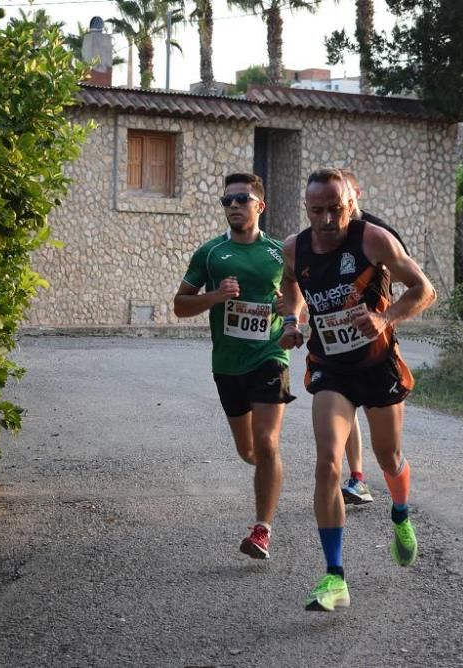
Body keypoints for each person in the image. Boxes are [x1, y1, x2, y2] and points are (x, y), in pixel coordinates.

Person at [279, 168, 437, 611]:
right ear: (306, 209)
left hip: (376, 365)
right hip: (332, 367)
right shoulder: (294, 248)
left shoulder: (374, 241)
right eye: (317, 211)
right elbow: (290, 285)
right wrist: (292, 322)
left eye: (336, 209)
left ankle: (401, 512)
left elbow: (424, 289)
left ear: (352, 202)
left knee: (388, 457)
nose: (328, 219)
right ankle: (334, 577)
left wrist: (386, 319)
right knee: (328, 463)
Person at [174, 172, 293, 561]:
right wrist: (215, 296)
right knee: (248, 451)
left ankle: (262, 530)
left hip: (270, 356)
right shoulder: (209, 253)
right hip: (227, 364)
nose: (234, 206)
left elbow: (298, 298)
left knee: (266, 441)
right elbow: (179, 306)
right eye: (227, 201)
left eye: (242, 199)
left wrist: (287, 311)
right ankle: (269, 472)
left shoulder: (279, 253)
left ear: (260, 205)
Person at [337, 169, 410, 507]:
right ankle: (355, 477)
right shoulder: (322, 237)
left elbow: (409, 280)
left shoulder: (379, 234)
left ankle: (399, 505)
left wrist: (382, 316)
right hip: (335, 349)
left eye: (343, 198)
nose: (336, 207)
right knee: (341, 408)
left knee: (389, 453)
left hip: (376, 344)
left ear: (356, 195)